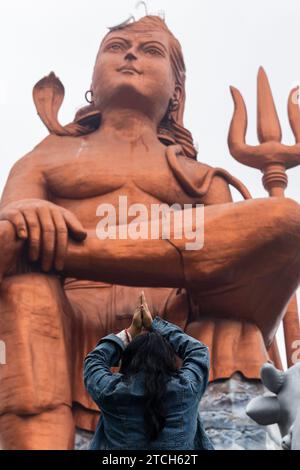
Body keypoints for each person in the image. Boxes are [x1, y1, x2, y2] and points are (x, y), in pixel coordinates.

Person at [84, 291, 214, 450]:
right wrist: (155, 325)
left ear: (128, 360)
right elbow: (199, 352)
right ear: (168, 360)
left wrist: (131, 331)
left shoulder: (110, 392)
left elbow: (94, 360)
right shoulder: (187, 389)